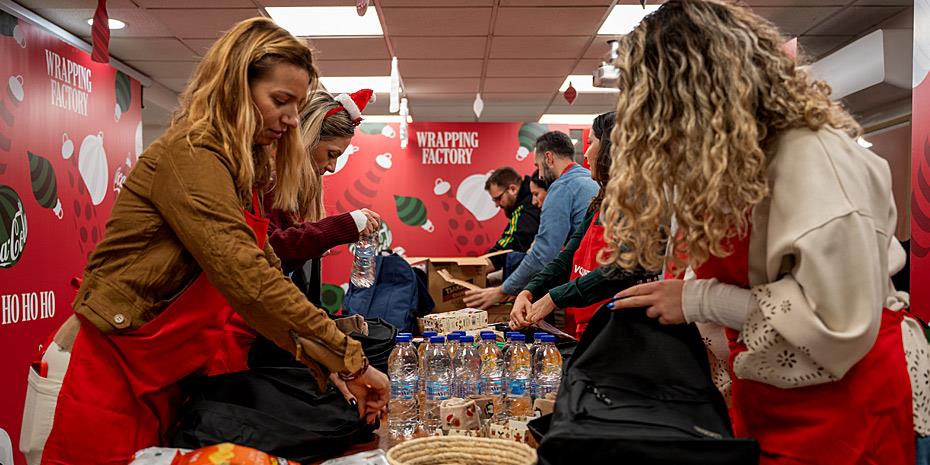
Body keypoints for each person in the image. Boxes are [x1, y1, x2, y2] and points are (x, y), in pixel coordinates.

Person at [23, 18, 388, 465]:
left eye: (297, 104)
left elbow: (266, 266)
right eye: (281, 101)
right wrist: (347, 358)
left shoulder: (240, 170)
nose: (293, 118)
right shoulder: (192, 154)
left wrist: (328, 356)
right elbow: (247, 275)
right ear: (236, 84)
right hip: (109, 365)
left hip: (163, 371)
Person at [602, 1, 913, 463]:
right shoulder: (741, 164)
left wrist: (697, 300)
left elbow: (838, 326)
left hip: (848, 409)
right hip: (772, 400)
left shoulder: (814, 159)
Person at [509, 112, 654, 338]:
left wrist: (553, 297)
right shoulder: (600, 202)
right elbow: (567, 257)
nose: (585, 154)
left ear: (612, 148)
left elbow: (618, 270)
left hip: (620, 332)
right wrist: (529, 291)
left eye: (591, 143)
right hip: (587, 327)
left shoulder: (642, 206)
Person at [264, 89, 383, 303]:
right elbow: (271, 250)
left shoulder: (293, 194)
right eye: (331, 154)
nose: (332, 167)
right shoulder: (266, 185)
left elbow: (282, 262)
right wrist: (339, 227)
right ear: (308, 139)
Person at [464, 131, 598, 309]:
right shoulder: (590, 180)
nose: (540, 175)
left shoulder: (561, 188)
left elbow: (543, 253)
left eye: (539, 166)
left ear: (549, 158)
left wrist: (503, 290)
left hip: (585, 288)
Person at [483, 166, 541, 274]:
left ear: (513, 189)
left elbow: (515, 242)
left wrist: (479, 268)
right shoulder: (522, 203)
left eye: (498, 198)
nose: (497, 205)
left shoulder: (526, 207)